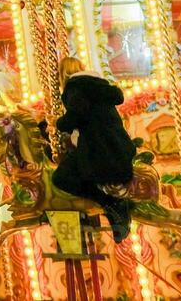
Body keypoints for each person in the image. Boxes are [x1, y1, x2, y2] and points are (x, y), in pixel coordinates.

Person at [51, 56, 136, 241]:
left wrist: (58, 123)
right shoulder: (99, 85)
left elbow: (76, 115)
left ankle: (111, 204)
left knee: (61, 178)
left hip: (98, 150)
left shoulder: (76, 87)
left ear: (64, 74)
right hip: (118, 146)